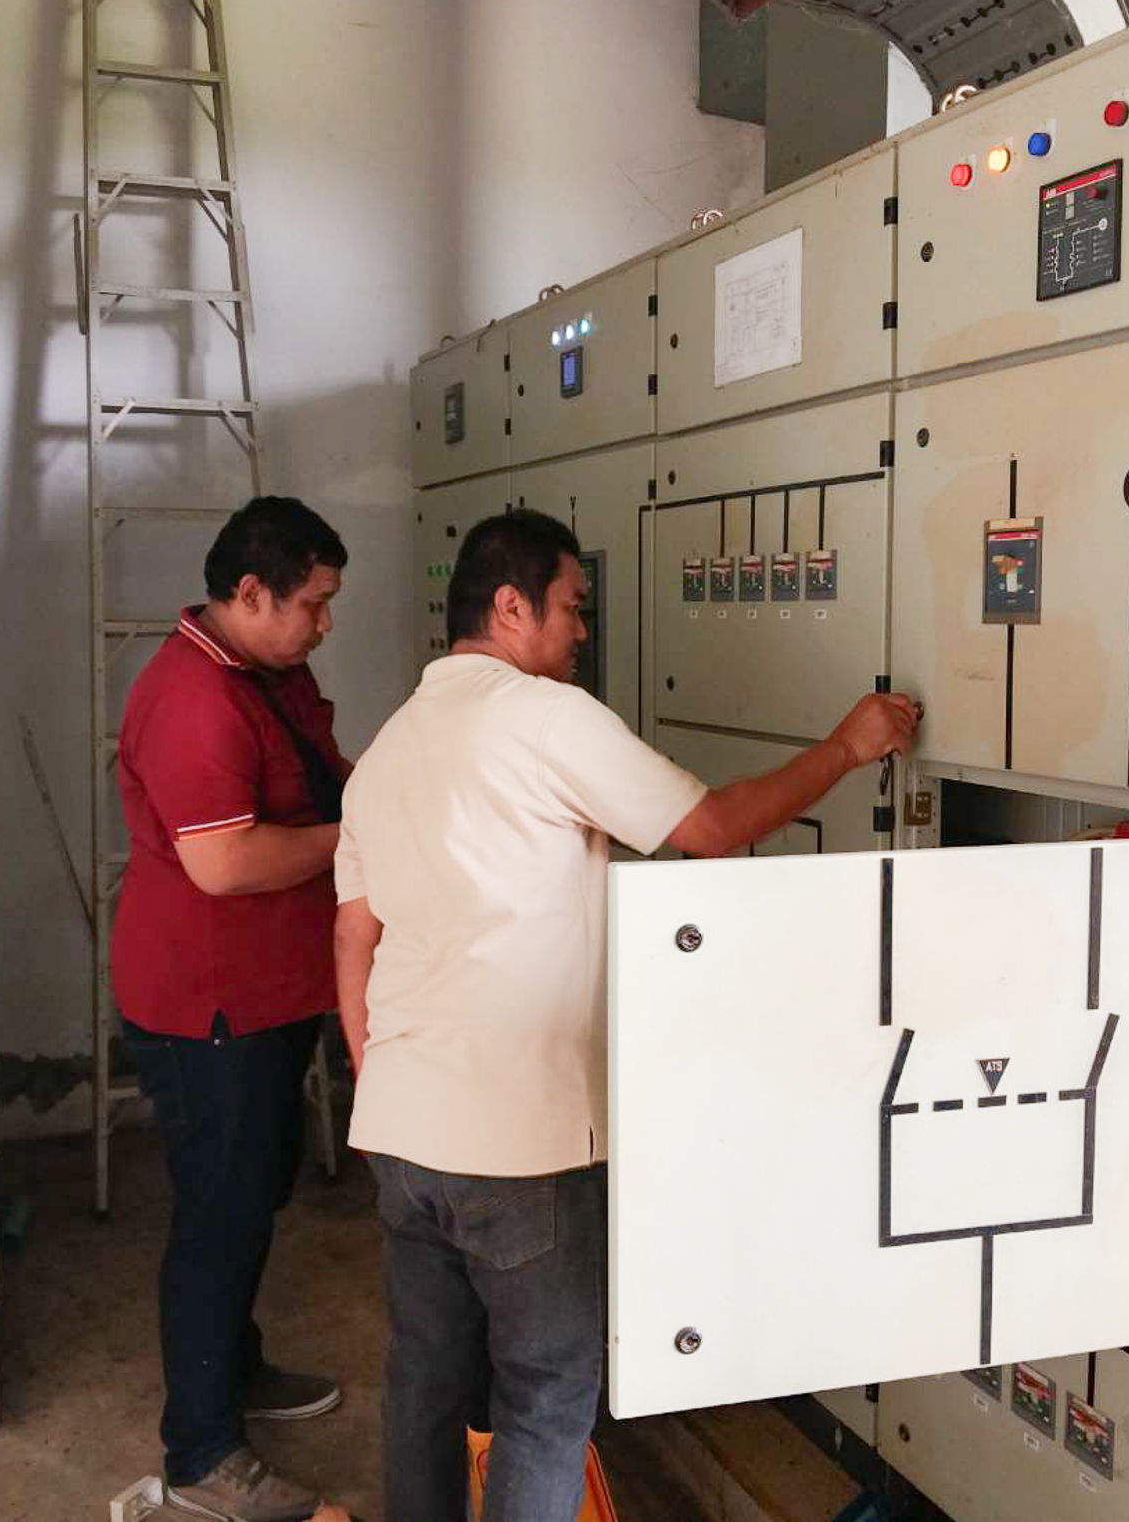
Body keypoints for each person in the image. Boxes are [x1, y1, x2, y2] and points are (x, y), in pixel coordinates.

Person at [333, 509, 918, 1520]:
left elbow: (354, 933)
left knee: (425, 1386)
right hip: (519, 1142)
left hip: (400, 1136)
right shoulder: (541, 716)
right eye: (572, 606)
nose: (582, 631)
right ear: (510, 608)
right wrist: (844, 746)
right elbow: (710, 828)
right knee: (543, 1399)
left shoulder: (388, 747)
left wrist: (380, 1083)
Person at [112, 495, 354, 1520]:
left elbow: (323, 782)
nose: (323, 623)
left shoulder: (269, 674)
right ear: (249, 593)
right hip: (206, 1003)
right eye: (311, 603)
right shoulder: (192, 697)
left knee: (253, 1192)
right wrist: (364, 837)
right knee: (218, 1214)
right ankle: (201, 1451)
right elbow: (224, 862)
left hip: (268, 993)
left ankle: (235, 1368)